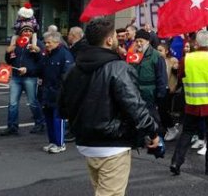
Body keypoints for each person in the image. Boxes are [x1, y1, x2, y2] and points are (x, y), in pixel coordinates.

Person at [59, 17, 159, 196]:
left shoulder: (74, 69)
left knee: (101, 190)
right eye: (114, 34)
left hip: (86, 141)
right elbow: (135, 106)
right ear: (109, 40)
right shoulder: (118, 68)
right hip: (113, 143)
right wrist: (152, 132)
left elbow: (63, 107)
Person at [170, 30, 208, 176]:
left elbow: (181, 76)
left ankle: (176, 162)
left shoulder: (187, 59)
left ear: (196, 43)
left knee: (187, 132)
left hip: (192, 102)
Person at [1, 25, 46, 136]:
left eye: (29, 31)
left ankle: (40, 123)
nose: (27, 32)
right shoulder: (16, 43)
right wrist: (8, 52)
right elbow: (9, 61)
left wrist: (36, 52)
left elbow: (41, 62)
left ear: (33, 33)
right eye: (24, 30)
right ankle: (12, 127)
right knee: (12, 103)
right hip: (16, 77)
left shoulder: (37, 44)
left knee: (33, 102)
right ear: (21, 32)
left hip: (30, 77)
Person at [39, 31, 74, 154]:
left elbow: (67, 75)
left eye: (49, 42)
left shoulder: (65, 55)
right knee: (48, 118)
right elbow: (42, 70)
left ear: (57, 42)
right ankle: (52, 142)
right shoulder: (47, 54)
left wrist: (61, 90)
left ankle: (60, 143)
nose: (46, 45)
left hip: (58, 92)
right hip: (47, 90)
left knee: (58, 118)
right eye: (45, 42)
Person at [129, 30, 169, 134]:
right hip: (136, 91)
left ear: (147, 41)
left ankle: (156, 136)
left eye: (141, 41)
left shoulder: (156, 56)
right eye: (137, 41)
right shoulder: (133, 54)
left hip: (151, 92)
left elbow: (161, 76)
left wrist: (160, 94)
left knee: (152, 116)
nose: (138, 44)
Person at [157, 43, 181, 142]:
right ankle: (167, 129)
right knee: (160, 111)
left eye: (160, 50)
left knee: (164, 110)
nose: (158, 52)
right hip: (159, 88)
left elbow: (177, 72)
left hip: (169, 89)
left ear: (166, 51)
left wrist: (176, 67)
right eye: (157, 50)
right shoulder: (157, 60)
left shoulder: (172, 60)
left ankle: (171, 128)